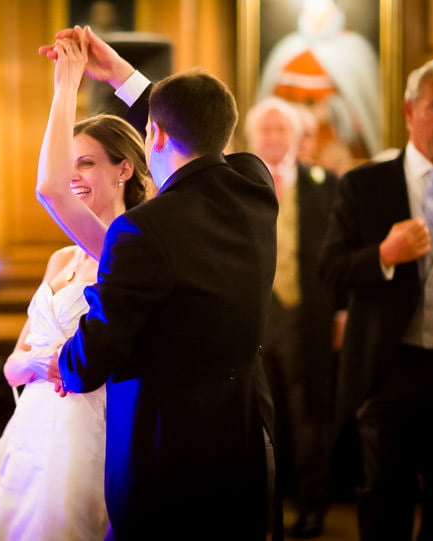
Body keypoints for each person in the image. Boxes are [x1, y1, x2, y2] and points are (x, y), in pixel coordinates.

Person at [41, 25, 280, 540]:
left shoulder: (142, 229)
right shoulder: (256, 187)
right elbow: (197, 126)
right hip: (242, 433)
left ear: (155, 136)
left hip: (166, 446)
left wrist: (62, 360)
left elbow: (97, 348)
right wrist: (122, 76)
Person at [0, 34, 150, 540]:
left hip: (88, 430)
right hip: (32, 424)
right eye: (68, 163)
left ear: (123, 168)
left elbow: (49, 188)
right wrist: (34, 362)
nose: (73, 176)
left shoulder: (123, 251)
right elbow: (12, 367)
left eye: (86, 163)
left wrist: (67, 85)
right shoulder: (59, 259)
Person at [320, 58, 433, 540]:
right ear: (409, 110)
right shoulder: (364, 185)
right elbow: (329, 272)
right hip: (388, 370)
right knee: (384, 498)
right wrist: (383, 255)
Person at [244, 96, 340, 539]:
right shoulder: (236, 184)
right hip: (252, 320)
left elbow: (338, 255)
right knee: (261, 419)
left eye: (282, 129)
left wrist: (341, 311)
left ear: (297, 136)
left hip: (308, 318)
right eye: (266, 130)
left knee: (309, 417)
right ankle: (264, 509)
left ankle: (312, 506)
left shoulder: (324, 184)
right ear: (251, 137)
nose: (274, 137)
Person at [258, 0, 380, 162]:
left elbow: (365, 115)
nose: (316, 12)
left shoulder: (356, 51)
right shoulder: (286, 51)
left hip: (337, 157)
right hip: (290, 159)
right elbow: (267, 110)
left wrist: (331, 112)